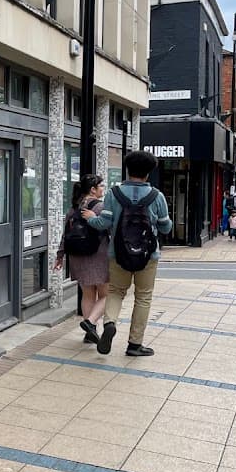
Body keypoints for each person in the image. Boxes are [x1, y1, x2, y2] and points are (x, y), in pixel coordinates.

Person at [84, 150, 172, 357]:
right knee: (143, 297)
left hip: (118, 253)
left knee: (115, 291)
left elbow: (103, 223)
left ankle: (110, 323)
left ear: (127, 169)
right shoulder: (156, 196)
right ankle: (134, 344)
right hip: (148, 256)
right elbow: (166, 228)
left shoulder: (113, 194)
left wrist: (89, 218)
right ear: (148, 173)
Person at [54, 175, 110, 347]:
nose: (103, 188)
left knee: (87, 295)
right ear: (92, 189)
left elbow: (66, 234)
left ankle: (89, 334)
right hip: (99, 255)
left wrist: (60, 256)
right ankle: (91, 323)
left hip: (77, 256)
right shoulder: (101, 207)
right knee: (108, 295)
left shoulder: (73, 209)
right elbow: (110, 227)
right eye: (101, 186)